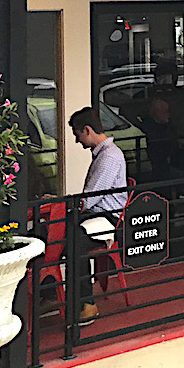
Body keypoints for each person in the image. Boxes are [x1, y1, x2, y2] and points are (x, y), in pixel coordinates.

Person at [68, 106, 128, 325]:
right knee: (65, 234)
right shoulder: (107, 154)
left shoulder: (109, 157)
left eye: (77, 135)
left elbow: (92, 197)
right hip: (99, 215)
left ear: (87, 130)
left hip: (105, 219)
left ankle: (86, 303)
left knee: (73, 240)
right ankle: (63, 296)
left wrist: (71, 206)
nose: (77, 141)